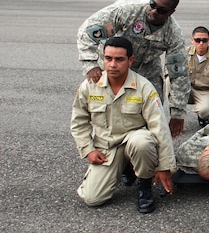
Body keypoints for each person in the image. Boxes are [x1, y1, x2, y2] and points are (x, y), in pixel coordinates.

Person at [70, 36, 176, 214]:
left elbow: (160, 128)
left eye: (119, 59)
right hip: (107, 147)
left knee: (142, 143)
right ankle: (126, 168)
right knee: (92, 199)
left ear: (130, 60)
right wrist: (88, 149)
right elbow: (79, 121)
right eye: (108, 58)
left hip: (134, 141)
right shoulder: (90, 86)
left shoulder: (144, 87)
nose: (112, 64)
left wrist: (165, 167)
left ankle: (144, 186)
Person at [77, 0, 190, 139]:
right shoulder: (126, 12)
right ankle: (108, 140)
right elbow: (88, 32)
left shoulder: (173, 34)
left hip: (147, 65)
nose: (154, 11)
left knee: (154, 106)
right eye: (152, 4)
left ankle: (147, 145)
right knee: (109, 104)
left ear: (171, 13)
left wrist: (177, 113)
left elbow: (179, 74)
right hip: (115, 60)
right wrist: (90, 64)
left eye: (162, 10)